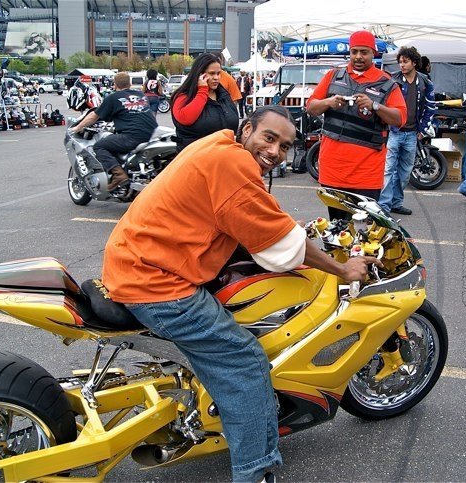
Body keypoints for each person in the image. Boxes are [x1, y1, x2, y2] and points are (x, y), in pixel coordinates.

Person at [102, 105, 381, 483]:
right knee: (246, 362)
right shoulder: (233, 165)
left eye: (285, 146)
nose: (275, 151)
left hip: (139, 262)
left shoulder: (218, 147)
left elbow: (248, 214)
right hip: (156, 282)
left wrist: (285, 229)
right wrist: (343, 269)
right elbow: (279, 242)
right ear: (247, 129)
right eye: (269, 138)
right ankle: (255, 470)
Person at [307, 30, 407, 220]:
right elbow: (311, 107)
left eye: (364, 52)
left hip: (366, 174)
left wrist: (375, 105)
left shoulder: (387, 83)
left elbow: (400, 118)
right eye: (354, 52)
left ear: (373, 53)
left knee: (363, 229)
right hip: (333, 171)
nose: (358, 56)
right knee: (337, 226)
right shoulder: (333, 76)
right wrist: (328, 102)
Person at [69, 72, 157, 191]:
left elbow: (94, 116)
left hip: (133, 137)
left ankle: (118, 175)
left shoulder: (113, 97)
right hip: (153, 134)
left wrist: (77, 127)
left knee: (99, 146)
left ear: (115, 85)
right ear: (130, 84)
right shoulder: (141, 95)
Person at [378, 46, 436, 216]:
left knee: (404, 173)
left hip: (412, 134)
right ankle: (384, 205)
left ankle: (396, 203)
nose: (402, 65)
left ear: (414, 62)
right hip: (393, 132)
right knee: (388, 170)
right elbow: (382, 103)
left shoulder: (425, 82)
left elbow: (431, 108)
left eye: (405, 61)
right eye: (400, 62)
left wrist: (422, 130)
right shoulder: (393, 80)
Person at [171, 53, 239, 152]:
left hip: (223, 155)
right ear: (199, 74)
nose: (216, 77)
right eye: (212, 73)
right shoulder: (183, 96)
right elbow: (185, 118)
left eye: (218, 73)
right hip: (194, 156)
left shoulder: (223, 95)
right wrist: (202, 91)